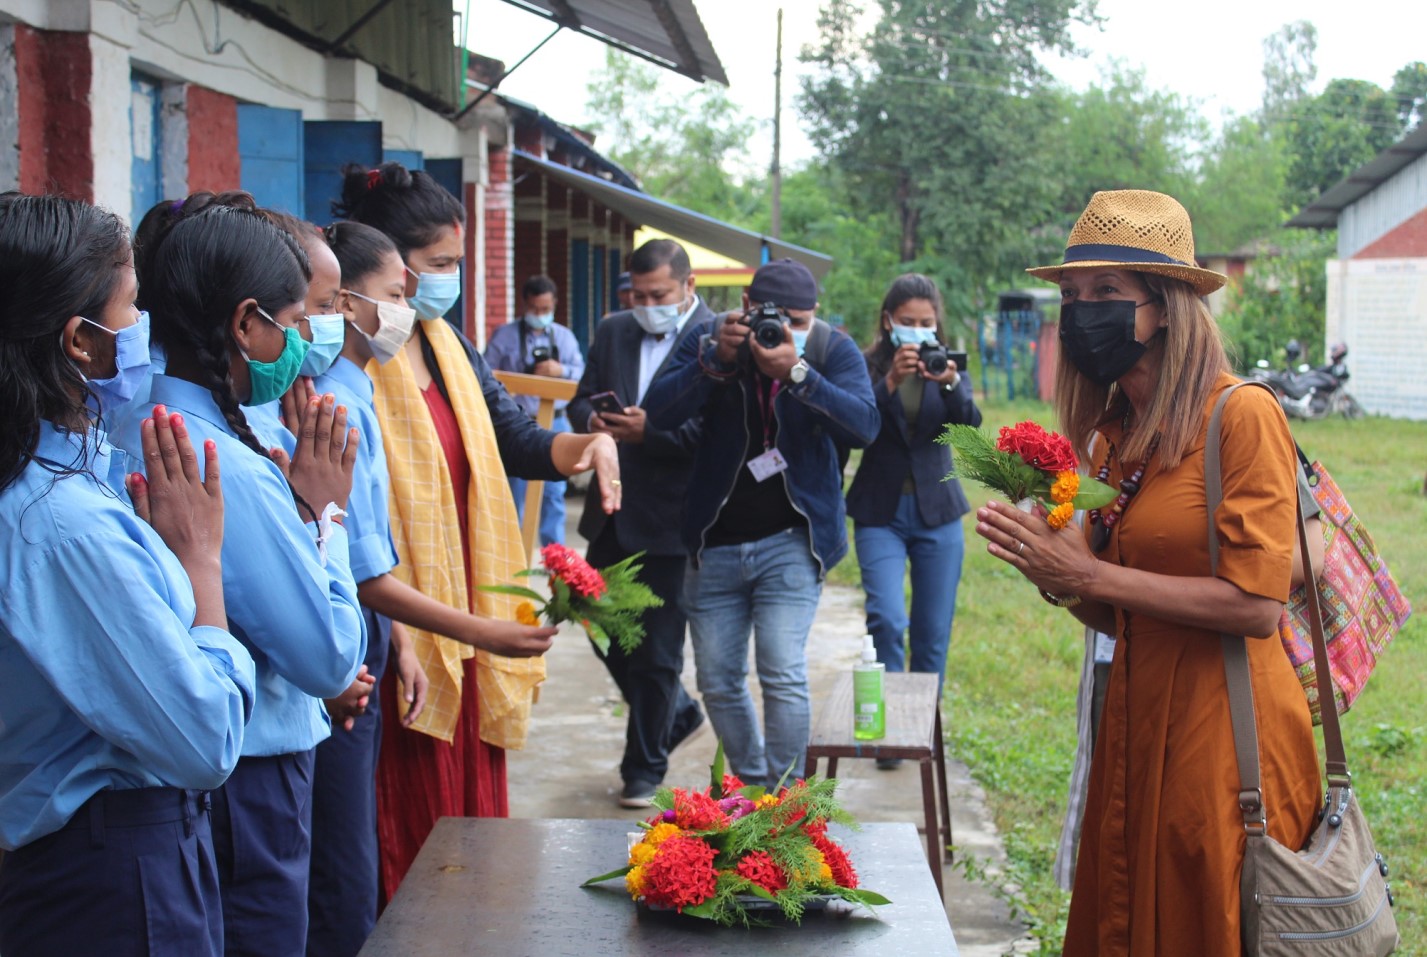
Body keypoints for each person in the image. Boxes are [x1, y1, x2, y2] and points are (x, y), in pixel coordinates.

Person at [974, 189, 1321, 955]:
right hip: (1132, 718)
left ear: (1162, 306)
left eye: (1105, 292)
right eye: (1069, 294)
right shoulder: (1111, 435)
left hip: (1225, 735)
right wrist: (1056, 570)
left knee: (1206, 924)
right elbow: (1118, 612)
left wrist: (1092, 578)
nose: (1080, 310)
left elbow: (1256, 604)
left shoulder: (1240, 415)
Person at [333, 161, 618, 900]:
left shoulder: (446, 344)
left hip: (464, 615)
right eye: (437, 267)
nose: (446, 282)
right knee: (402, 832)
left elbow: (517, 439)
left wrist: (585, 444)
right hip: (397, 626)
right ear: (383, 268)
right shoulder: (344, 365)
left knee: (471, 838)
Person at [0, 192, 255, 957]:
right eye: (131, 306)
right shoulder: (60, 521)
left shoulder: (67, 481)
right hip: (110, 872)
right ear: (82, 341)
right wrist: (200, 566)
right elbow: (203, 739)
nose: (143, 331)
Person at [112, 202, 368, 957]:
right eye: (298, 318)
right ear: (246, 323)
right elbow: (323, 656)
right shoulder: (214, 457)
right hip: (247, 779)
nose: (302, 340)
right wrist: (325, 516)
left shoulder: (135, 417)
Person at [645, 257, 880, 788]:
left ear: (815, 316)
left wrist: (797, 373)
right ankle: (751, 791)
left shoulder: (827, 348)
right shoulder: (711, 339)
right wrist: (714, 361)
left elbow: (866, 426)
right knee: (717, 679)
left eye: (801, 320)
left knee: (781, 670)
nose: (788, 331)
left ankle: (788, 798)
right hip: (715, 543)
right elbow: (658, 414)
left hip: (794, 542)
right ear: (747, 308)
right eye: (778, 318)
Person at [568, 238, 709, 807]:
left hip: (675, 517)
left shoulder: (713, 340)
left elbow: (717, 435)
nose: (647, 304)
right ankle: (676, 712)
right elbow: (580, 401)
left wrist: (650, 434)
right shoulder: (614, 330)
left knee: (655, 649)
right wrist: (596, 420)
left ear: (687, 287)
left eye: (660, 295)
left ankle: (643, 768)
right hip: (612, 511)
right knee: (593, 619)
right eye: (639, 294)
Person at [845, 273, 981, 768]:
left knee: (931, 630)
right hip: (879, 510)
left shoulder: (947, 364)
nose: (919, 332)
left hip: (938, 512)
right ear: (889, 322)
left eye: (927, 323)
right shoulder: (863, 365)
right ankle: (881, 728)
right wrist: (890, 382)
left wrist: (948, 383)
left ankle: (918, 730)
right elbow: (857, 428)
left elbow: (970, 428)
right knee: (886, 616)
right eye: (908, 323)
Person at [484, 274, 586, 546]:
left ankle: (555, 555)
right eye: (534, 310)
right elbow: (485, 373)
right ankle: (512, 551)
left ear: (554, 305)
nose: (540, 315)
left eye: (545, 310)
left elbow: (583, 375)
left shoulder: (564, 336)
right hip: (517, 422)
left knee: (554, 492)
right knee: (512, 491)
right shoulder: (504, 335)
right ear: (524, 305)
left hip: (556, 422)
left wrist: (559, 370)